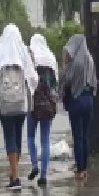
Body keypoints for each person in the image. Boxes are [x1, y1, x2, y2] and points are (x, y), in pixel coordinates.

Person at [0, 24, 38, 192]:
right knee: (17, 136)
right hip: (21, 104)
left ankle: (15, 178)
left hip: (6, 104)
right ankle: (13, 173)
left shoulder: (0, 52)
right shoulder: (23, 52)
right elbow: (33, 77)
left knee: (9, 137)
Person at [60, 35, 96, 181]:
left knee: (78, 136)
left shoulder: (76, 63)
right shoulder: (90, 60)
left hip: (77, 100)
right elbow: (94, 81)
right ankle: (85, 167)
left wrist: (65, 65)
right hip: (89, 100)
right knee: (85, 135)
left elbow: (67, 80)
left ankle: (80, 169)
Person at [27, 34, 59, 187]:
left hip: (32, 104)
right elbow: (55, 83)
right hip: (47, 105)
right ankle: (44, 175)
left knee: (31, 137)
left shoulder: (29, 56)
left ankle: (34, 165)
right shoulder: (51, 58)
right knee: (45, 140)